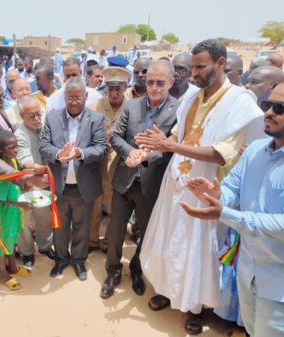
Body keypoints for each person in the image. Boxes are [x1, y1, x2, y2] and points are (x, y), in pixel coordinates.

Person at [181, 76, 284, 337]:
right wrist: (216, 195)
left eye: (280, 108)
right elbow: (232, 188)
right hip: (250, 273)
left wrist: (223, 212)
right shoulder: (256, 149)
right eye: (268, 104)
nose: (268, 112)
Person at [136, 39, 263, 335]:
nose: (193, 74)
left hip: (206, 183)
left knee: (199, 246)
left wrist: (171, 145)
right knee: (169, 236)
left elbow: (222, 153)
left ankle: (194, 307)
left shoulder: (241, 102)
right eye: (192, 67)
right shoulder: (193, 97)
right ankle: (167, 290)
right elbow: (181, 134)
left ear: (221, 63)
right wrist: (154, 148)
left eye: (200, 67)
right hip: (176, 179)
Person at [101, 61, 179, 298]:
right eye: (150, 82)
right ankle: (113, 271)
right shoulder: (132, 106)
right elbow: (117, 138)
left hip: (151, 183)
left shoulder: (178, 110)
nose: (154, 87)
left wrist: (147, 155)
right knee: (115, 230)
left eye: (160, 83)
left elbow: (173, 147)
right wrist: (130, 152)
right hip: (124, 179)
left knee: (146, 233)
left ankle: (137, 268)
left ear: (171, 83)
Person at [0, 78, 47, 270]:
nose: (2, 100)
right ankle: (1, 268)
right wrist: (25, 177)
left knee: (12, 224)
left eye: (3, 95)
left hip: (11, 179)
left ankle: (12, 263)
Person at [39, 77, 108, 281]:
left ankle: (78, 261)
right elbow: (44, 146)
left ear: (86, 96)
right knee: (59, 226)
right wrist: (59, 154)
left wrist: (80, 153)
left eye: (78, 97)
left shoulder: (96, 119)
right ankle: (61, 259)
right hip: (59, 186)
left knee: (82, 226)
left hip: (83, 186)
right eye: (70, 97)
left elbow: (101, 148)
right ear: (64, 97)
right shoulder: (52, 119)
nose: (74, 102)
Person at [86, 67, 132, 253]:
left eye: (118, 90)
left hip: (119, 166)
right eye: (110, 89)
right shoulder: (94, 106)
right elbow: (83, 133)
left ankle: (108, 242)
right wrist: (99, 136)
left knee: (114, 207)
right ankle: (92, 241)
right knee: (95, 204)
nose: (113, 94)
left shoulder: (133, 107)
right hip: (97, 165)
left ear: (125, 87)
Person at [0, 130, 34, 289]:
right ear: (0, 149)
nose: (15, 150)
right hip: (3, 215)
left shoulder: (14, 163)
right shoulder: (1, 170)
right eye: (11, 148)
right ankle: (3, 273)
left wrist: (25, 191)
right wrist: (20, 204)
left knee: (13, 240)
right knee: (2, 244)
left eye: (16, 147)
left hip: (14, 212)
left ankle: (13, 267)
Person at [14, 95, 55, 267]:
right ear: (22, 116)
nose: (37, 118)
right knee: (24, 221)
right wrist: (39, 169)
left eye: (39, 114)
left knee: (44, 217)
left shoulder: (47, 127)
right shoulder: (19, 134)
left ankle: (45, 246)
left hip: (45, 183)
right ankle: (27, 252)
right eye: (32, 116)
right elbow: (25, 160)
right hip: (27, 184)